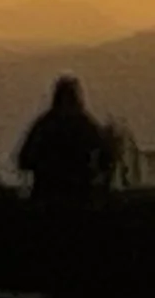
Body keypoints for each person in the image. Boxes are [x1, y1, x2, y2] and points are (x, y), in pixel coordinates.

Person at [16, 75, 114, 207]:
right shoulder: (84, 124)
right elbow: (106, 156)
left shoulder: (45, 125)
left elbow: (25, 160)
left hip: (48, 197)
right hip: (77, 198)